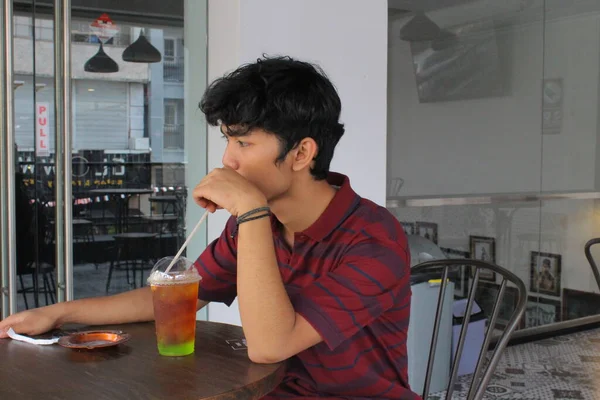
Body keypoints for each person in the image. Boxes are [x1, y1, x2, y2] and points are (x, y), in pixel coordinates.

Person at [0, 56, 418, 399]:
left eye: (244, 143)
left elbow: (271, 345)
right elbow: (174, 299)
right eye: (227, 141)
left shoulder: (372, 239)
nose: (228, 160)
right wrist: (57, 313)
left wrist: (250, 210)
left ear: (302, 152)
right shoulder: (256, 226)